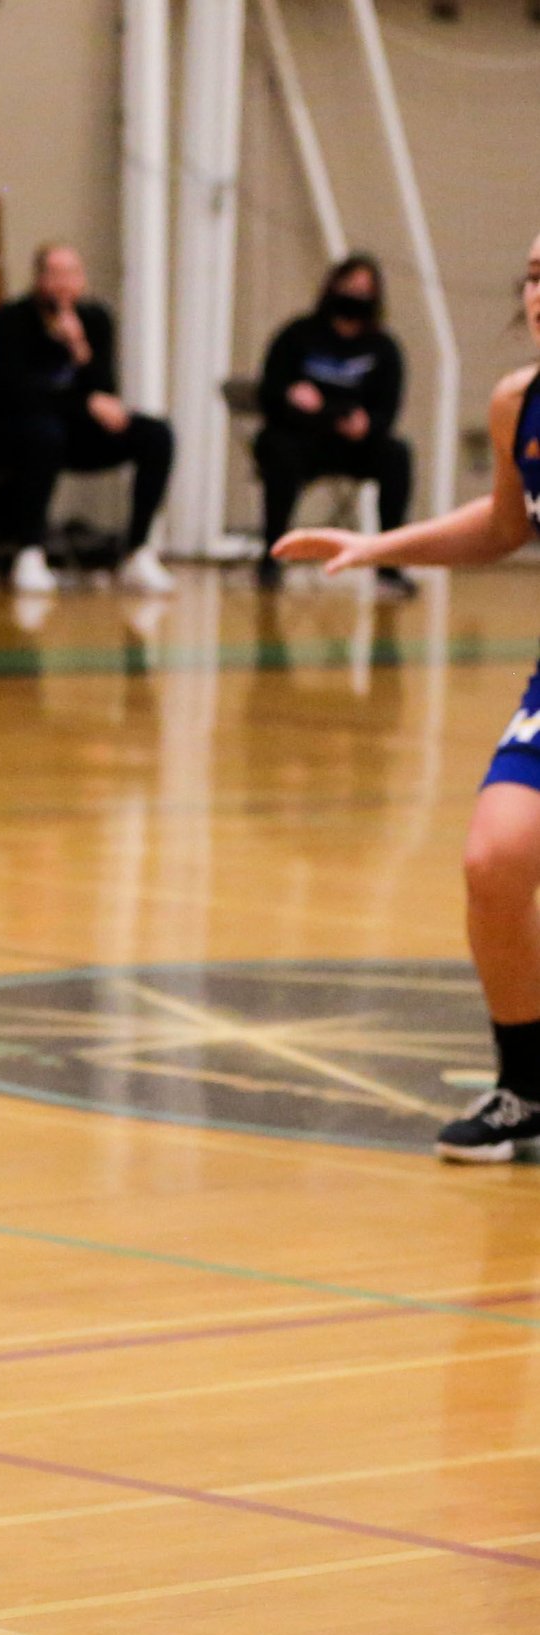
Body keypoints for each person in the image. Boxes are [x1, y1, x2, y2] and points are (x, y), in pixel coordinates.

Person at [277, 230, 540, 1164]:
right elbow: (506, 524)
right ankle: (524, 1086)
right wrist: (374, 546)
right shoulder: (519, 404)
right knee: (492, 863)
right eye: (536, 273)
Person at [0, 244, 175, 597]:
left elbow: (105, 389)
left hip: (76, 432)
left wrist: (79, 348)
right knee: (44, 434)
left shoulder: (95, 319)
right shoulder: (13, 318)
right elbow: (15, 391)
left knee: (156, 434)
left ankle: (138, 551)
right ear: (39, 279)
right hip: (18, 430)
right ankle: (30, 551)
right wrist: (83, 401)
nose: (64, 283)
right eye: (55, 274)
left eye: (72, 274)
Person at [254, 254, 415, 600]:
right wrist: (290, 396)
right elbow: (267, 393)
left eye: (364, 290)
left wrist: (368, 425)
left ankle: (389, 566)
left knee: (396, 454)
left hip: (354, 446)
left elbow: (388, 409)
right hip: (300, 438)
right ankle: (271, 557)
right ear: (332, 287)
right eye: (349, 287)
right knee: (277, 448)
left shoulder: (384, 349)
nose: (355, 296)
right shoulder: (297, 335)